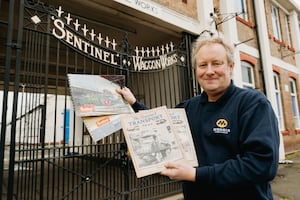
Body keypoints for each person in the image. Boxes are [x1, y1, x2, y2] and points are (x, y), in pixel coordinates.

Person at [116, 36, 279, 200]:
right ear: (196, 71)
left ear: (231, 67)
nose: (209, 71)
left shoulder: (253, 104)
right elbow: (158, 124)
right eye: (202, 65)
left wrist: (196, 174)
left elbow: (261, 165)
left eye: (216, 63)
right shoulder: (189, 107)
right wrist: (134, 103)